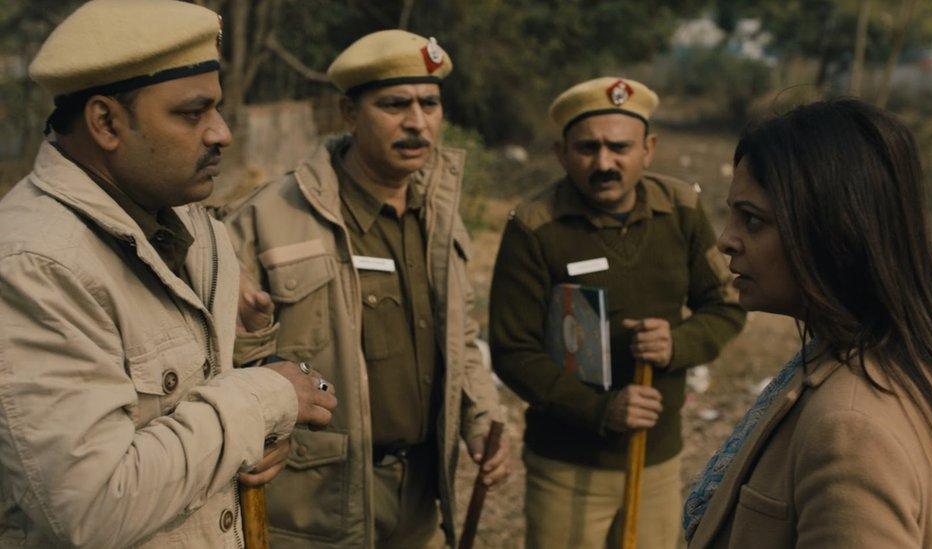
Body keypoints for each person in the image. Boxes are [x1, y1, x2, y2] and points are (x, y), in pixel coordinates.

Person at [0, 0, 337, 547]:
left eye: (218, 109)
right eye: (192, 113)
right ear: (106, 122)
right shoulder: (35, 265)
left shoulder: (192, 224)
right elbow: (90, 507)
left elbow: (199, 399)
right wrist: (265, 399)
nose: (222, 133)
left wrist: (260, 430)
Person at [222, 29, 507, 548]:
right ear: (348, 114)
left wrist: (481, 415)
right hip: (316, 505)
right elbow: (222, 360)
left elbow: (462, 336)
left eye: (430, 104)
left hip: (422, 493)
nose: (417, 122)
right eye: (395, 105)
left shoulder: (439, 215)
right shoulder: (268, 217)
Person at [684, 99, 932, 548]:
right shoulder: (896, 357)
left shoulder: (851, 427)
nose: (726, 240)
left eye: (753, 220)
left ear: (831, 231)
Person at [489, 77, 745, 549]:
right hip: (567, 465)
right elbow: (512, 350)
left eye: (619, 147)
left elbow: (725, 305)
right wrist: (602, 410)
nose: (604, 163)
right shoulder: (533, 226)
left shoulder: (681, 209)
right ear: (561, 152)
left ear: (648, 149)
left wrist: (678, 344)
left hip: (656, 462)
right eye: (587, 148)